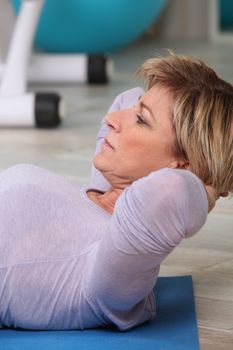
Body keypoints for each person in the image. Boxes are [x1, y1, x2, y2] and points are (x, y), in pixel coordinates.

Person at [0, 52, 232, 331]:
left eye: (141, 120)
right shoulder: (104, 190)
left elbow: (170, 193)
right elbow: (127, 96)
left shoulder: (110, 271)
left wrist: (208, 187)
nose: (112, 118)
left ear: (180, 167)